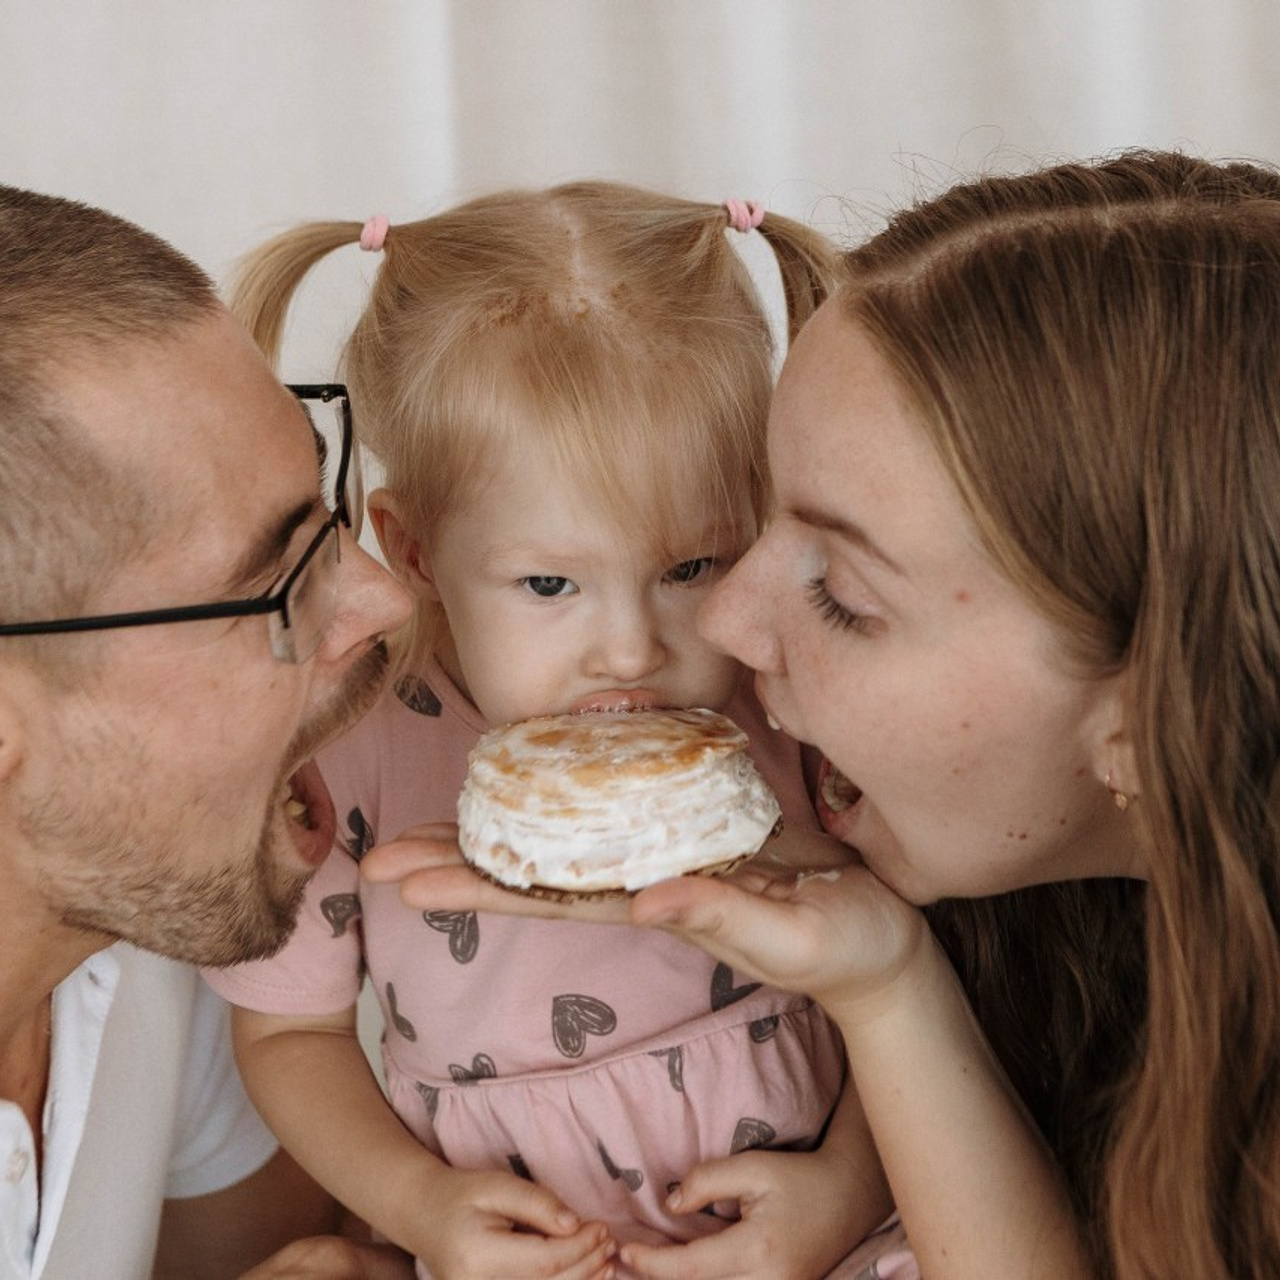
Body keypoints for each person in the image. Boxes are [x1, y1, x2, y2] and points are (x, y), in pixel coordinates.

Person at [365, 148, 1280, 1279]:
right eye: (762, 532)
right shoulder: (1049, 951)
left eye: (841, 594)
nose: (723, 627)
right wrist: (889, 984)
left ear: (1146, 721)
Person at [204, 182, 917, 1280]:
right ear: (414, 548)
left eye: (692, 565)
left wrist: (849, 1186)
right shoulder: (351, 748)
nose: (629, 651)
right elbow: (289, 1034)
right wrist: (421, 1206)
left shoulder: (788, 698)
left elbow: (907, 983)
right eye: (549, 584)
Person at [0, 183, 417, 1278]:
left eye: (325, 510)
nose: (384, 600)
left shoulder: (146, 922)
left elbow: (279, 1254)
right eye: (276, 583)